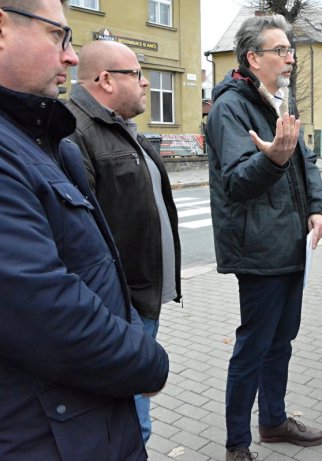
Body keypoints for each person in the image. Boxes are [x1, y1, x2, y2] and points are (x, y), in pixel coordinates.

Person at [0, 1, 169, 459]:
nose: (71, 57)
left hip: (90, 413)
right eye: (59, 36)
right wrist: (147, 361)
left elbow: (100, 262)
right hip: (48, 430)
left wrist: (132, 328)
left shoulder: (46, 140)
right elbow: (47, 310)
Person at [205, 14, 322, 461]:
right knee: (253, 347)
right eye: (280, 51)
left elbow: (307, 163)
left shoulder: (279, 101)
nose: (290, 59)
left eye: (290, 51)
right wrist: (274, 160)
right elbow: (239, 181)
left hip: (293, 245)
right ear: (252, 57)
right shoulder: (230, 107)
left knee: (282, 339)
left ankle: (273, 421)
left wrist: (318, 208)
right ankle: (237, 444)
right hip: (258, 248)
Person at [64, 39, 181, 444]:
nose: (146, 83)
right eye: (137, 74)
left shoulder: (120, 126)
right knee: (130, 419)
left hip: (140, 299)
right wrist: (120, 310)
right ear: (106, 80)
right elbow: (82, 239)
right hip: (120, 305)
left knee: (134, 412)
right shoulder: (75, 132)